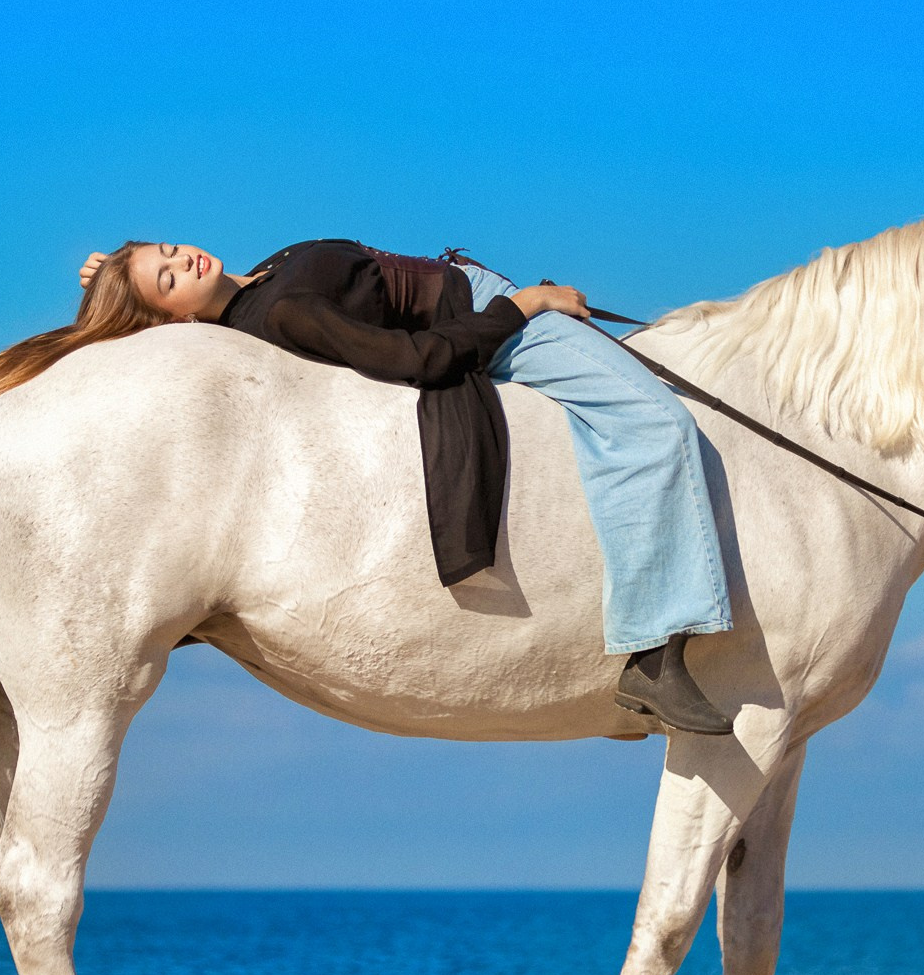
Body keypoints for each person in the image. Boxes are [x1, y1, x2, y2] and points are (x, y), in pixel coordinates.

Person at [70, 238, 735, 736]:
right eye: (167, 277)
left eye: (169, 249)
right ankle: (656, 649)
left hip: (480, 300)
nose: (183, 259)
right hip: (490, 319)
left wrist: (110, 276)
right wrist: (521, 306)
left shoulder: (263, 282)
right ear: (176, 323)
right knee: (654, 420)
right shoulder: (284, 311)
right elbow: (417, 359)